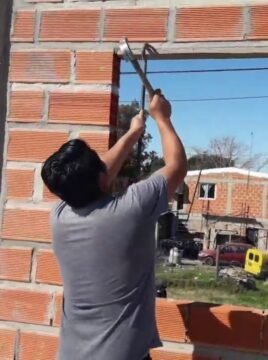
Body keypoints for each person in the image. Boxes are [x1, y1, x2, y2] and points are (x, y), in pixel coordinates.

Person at [41, 91, 187, 360]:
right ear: (100, 178)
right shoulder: (131, 209)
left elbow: (96, 176)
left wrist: (133, 134)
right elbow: (177, 166)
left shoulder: (60, 216)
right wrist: (162, 118)